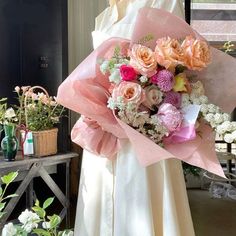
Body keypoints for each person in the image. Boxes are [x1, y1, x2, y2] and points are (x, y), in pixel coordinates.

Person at [71, 1, 195, 236]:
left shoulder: (164, 2)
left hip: (142, 133)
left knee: (141, 198)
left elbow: (178, 69)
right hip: (104, 130)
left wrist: (139, 103)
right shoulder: (105, 14)